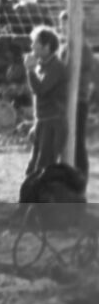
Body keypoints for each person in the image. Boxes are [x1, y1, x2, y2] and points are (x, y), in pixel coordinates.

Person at [25, 25, 68, 178]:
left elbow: (41, 90)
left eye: (35, 43)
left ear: (46, 47)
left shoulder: (56, 67)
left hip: (53, 123)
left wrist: (30, 71)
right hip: (43, 122)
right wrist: (36, 124)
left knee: (43, 167)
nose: (31, 46)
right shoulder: (43, 65)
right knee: (32, 168)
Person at [58, 11, 96, 181]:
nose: (62, 28)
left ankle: (81, 179)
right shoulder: (66, 47)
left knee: (78, 141)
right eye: (62, 24)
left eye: (66, 24)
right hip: (65, 101)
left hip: (79, 102)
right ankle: (67, 177)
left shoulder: (84, 49)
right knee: (64, 140)